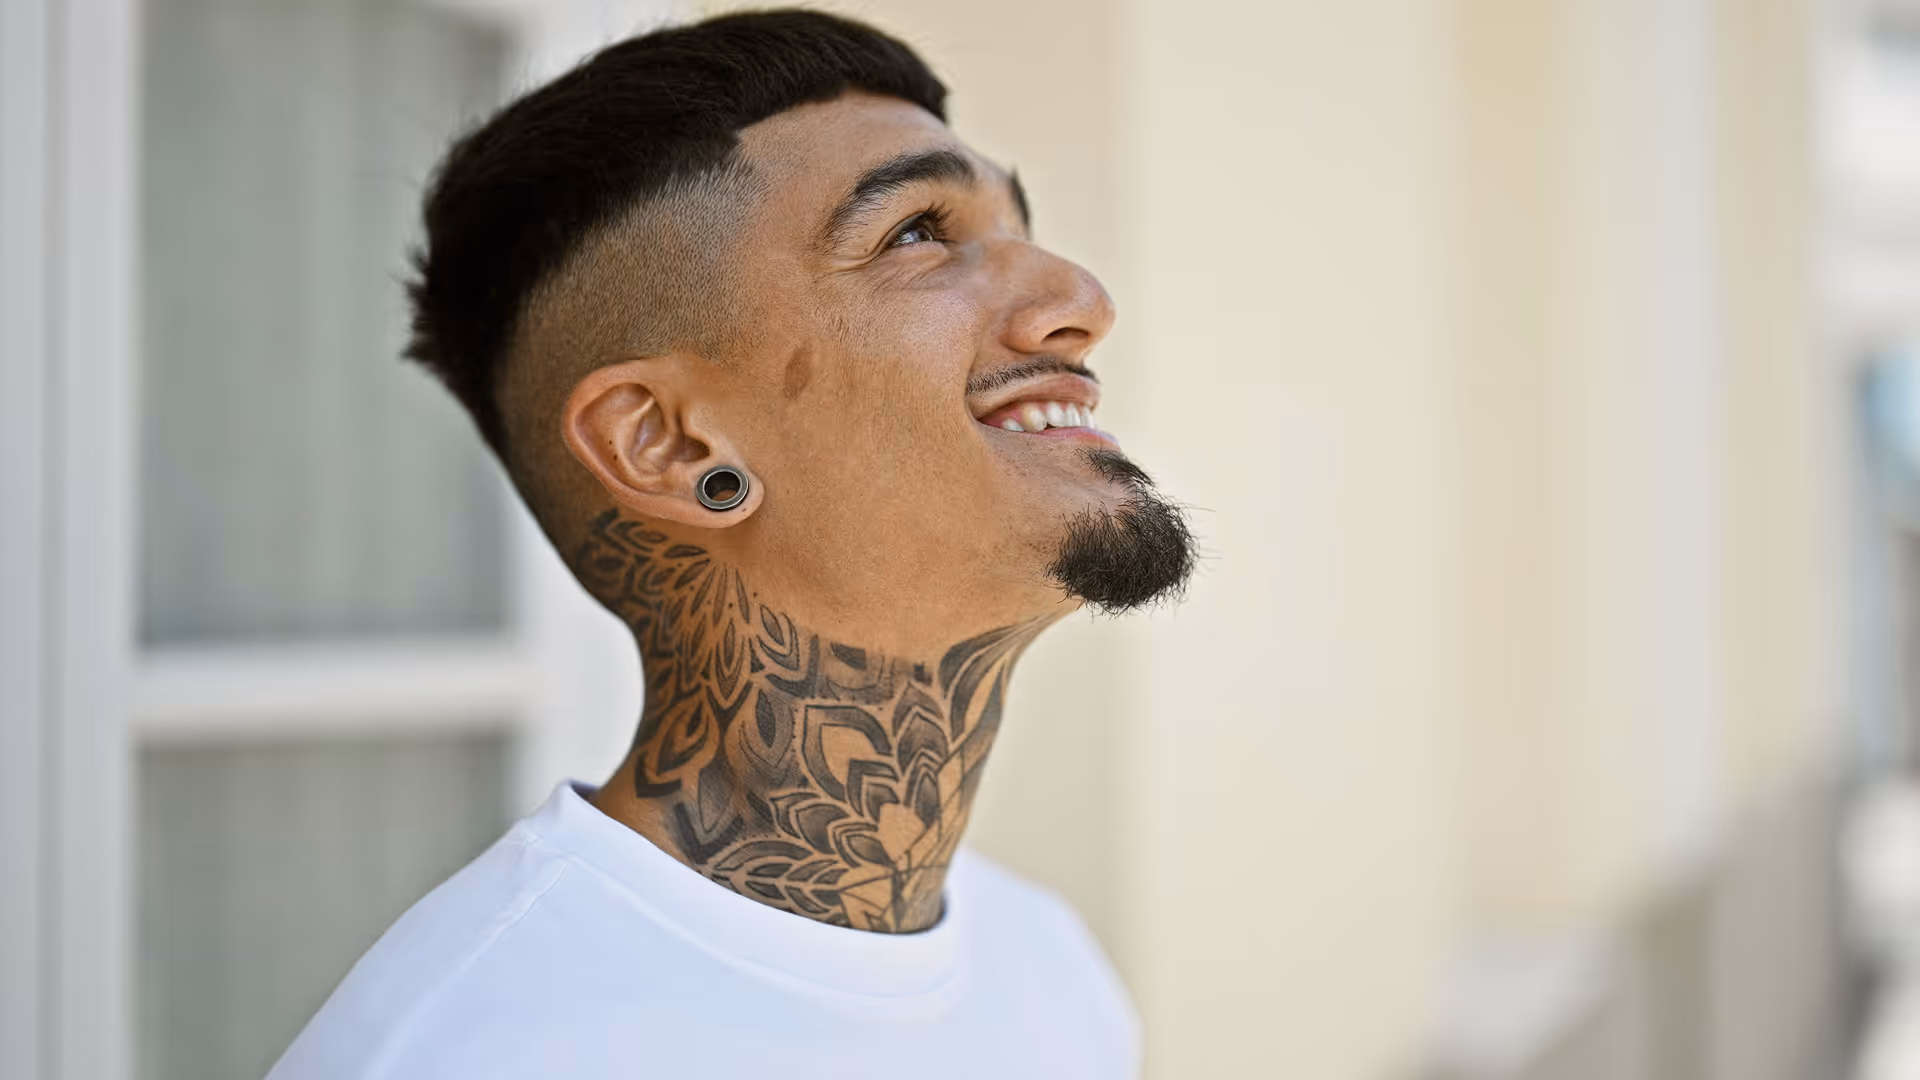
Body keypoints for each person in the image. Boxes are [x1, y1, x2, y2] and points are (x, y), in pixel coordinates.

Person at [267, 10, 1195, 1078]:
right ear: (668, 444)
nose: (1082, 301)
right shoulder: (468, 1049)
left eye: (1019, 226)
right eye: (917, 232)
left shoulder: (1052, 976)